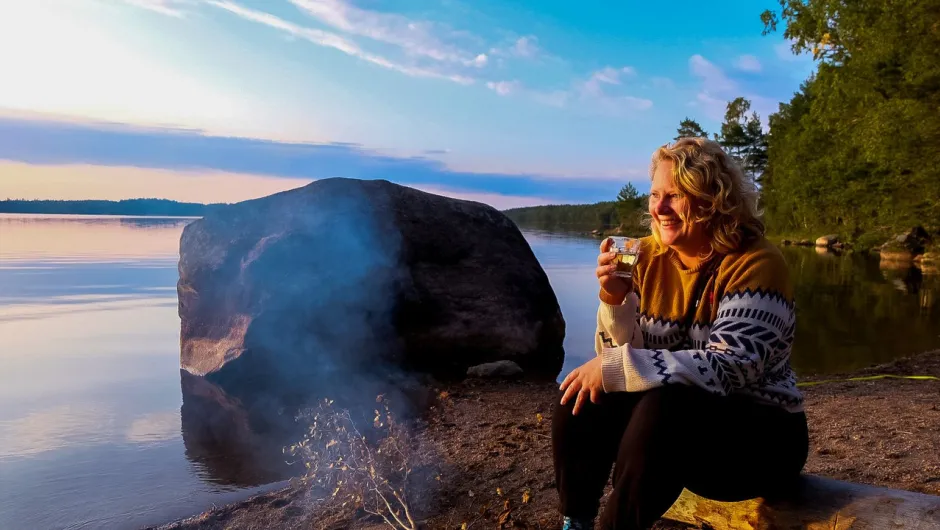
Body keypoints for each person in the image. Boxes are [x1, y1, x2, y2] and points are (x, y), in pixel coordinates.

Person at [551, 137, 809, 530]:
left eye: (675, 195)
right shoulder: (644, 255)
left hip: (760, 439)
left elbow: (731, 367)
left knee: (666, 404)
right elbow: (617, 355)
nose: (658, 208)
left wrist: (615, 366)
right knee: (581, 394)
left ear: (712, 198)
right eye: (655, 194)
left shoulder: (756, 263)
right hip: (666, 436)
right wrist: (615, 300)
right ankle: (577, 521)